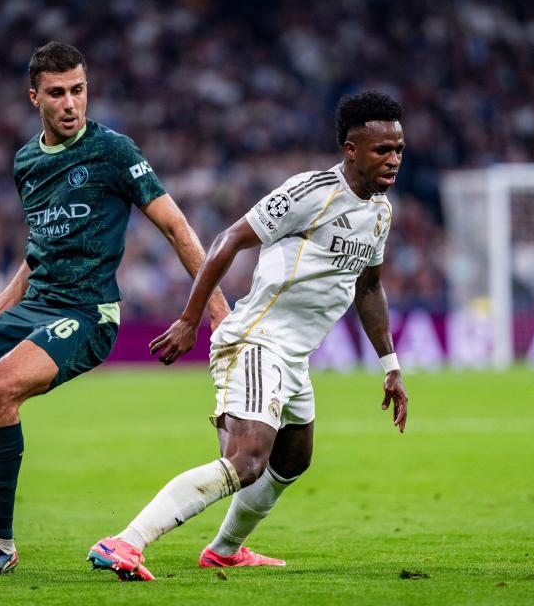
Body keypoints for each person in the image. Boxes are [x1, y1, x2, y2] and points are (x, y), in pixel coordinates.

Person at [0, 41, 229, 576]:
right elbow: (37, 255)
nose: (70, 103)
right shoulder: (26, 162)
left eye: (78, 90)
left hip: (88, 312)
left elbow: (176, 227)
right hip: (34, 307)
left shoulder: (113, 151)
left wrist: (214, 310)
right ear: (35, 98)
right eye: (57, 93)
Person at [87, 90, 409, 581]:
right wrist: (190, 318)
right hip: (258, 341)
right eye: (382, 149)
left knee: (294, 460)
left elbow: (369, 287)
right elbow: (229, 239)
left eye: (399, 149)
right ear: (351, 149)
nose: (393, 159)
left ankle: (225, 549)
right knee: (247, 460)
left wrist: (391, 366)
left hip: (294, 356)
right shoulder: (311, 192)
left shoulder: (380, 212)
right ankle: (125, 542)